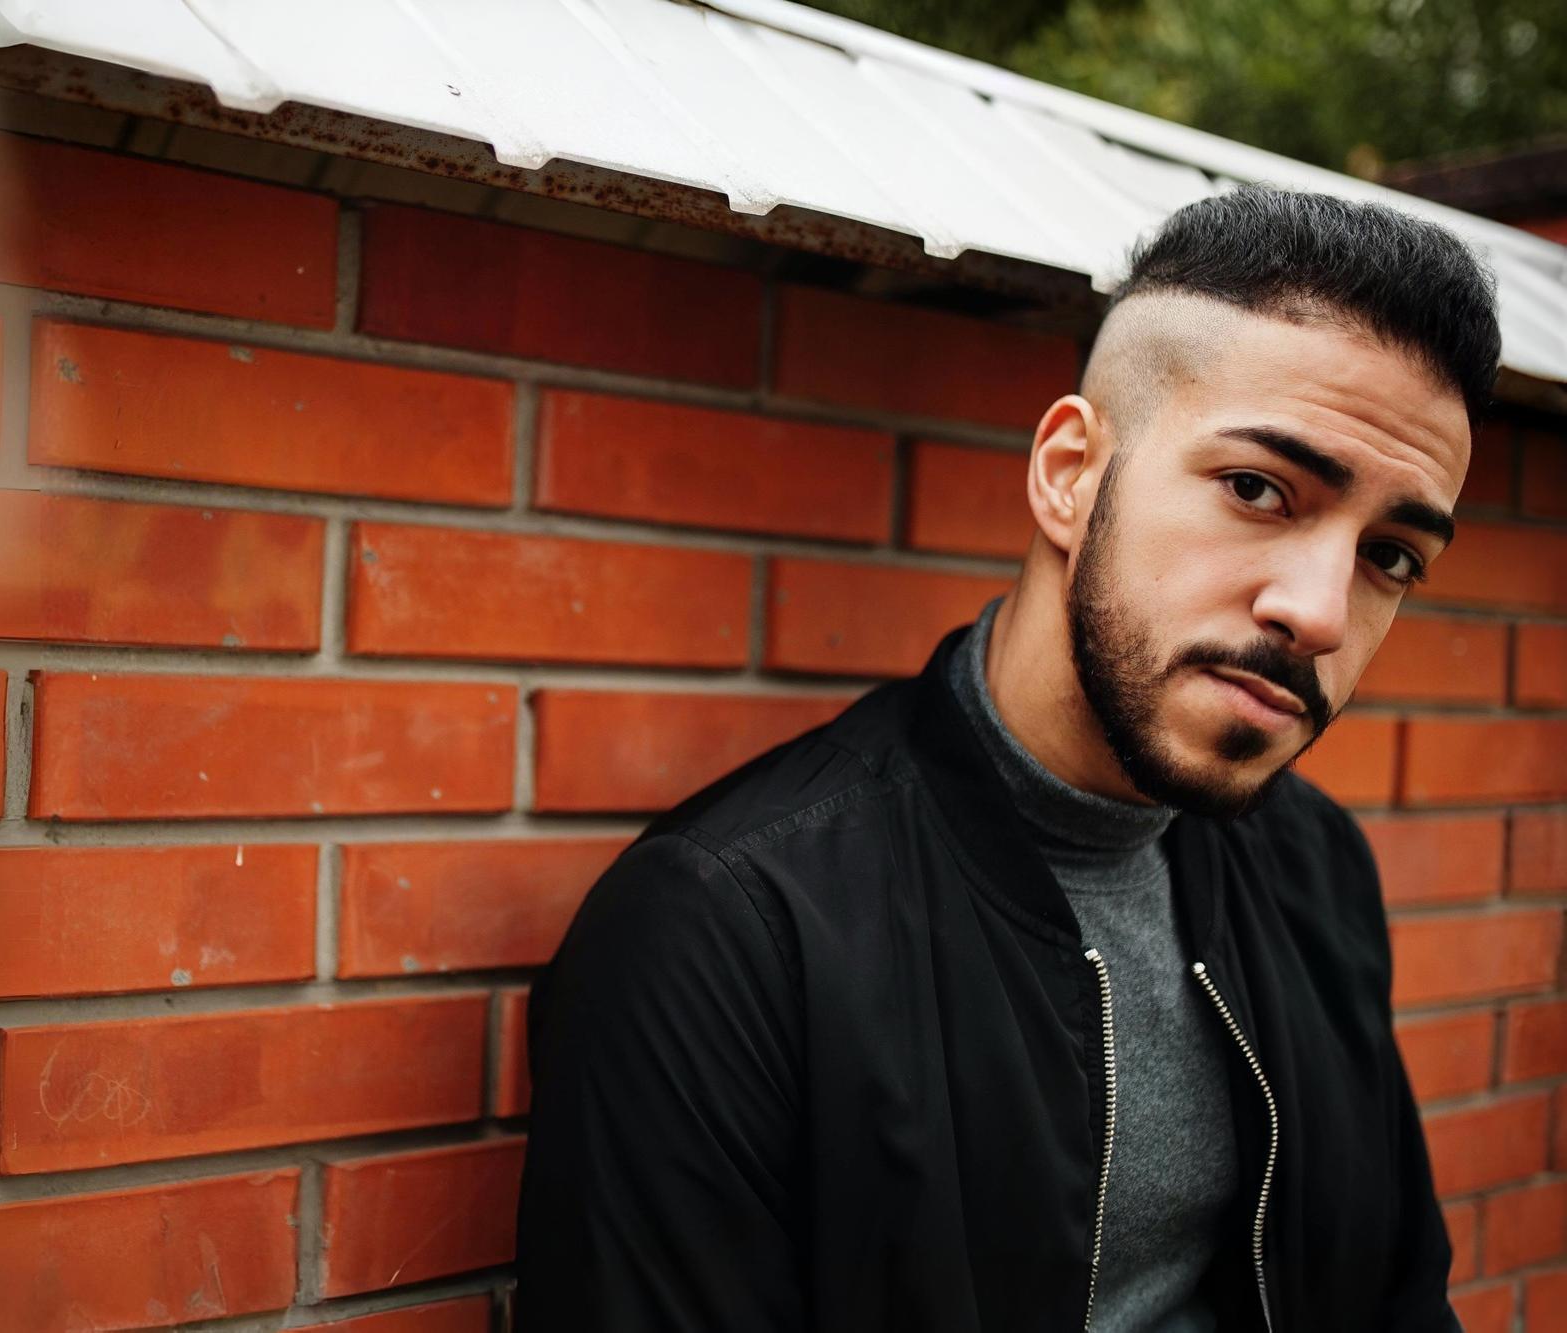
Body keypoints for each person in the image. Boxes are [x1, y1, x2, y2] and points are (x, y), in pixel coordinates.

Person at [512, 185, 1499, 1332]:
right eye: (1255, 489)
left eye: (1389, 555)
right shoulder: (730, 928)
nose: (1319, 612)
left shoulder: (1313, 865)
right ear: (1069, 474)